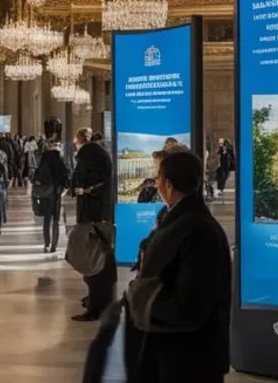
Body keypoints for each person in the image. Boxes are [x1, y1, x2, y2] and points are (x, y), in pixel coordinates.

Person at [123, 149, 231, 383]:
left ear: (168, 184)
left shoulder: (199, 230)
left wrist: (140, 299)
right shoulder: (175, 218)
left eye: (158, 177)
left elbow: (189, 308)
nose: (156, 183)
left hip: (189, 359)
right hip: (171, 352)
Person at [71, 126, 115, 321]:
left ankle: (96, 305)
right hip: (101, 213)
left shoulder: (87, 153)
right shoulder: (98, 153)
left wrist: (81, 190)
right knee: (101, 256)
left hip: (92, 214)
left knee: (92, 258)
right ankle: (97, 299)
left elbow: (78, 180)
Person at [32, 136, 69, 254]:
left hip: (45, 192)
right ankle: (54, 245)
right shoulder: (58, 158)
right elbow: (64, 174)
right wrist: (65, 185)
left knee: (47, 219)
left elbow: (37, 174)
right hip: (56, 192)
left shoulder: (43, 158)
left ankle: (46, 243)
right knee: (56, 220)